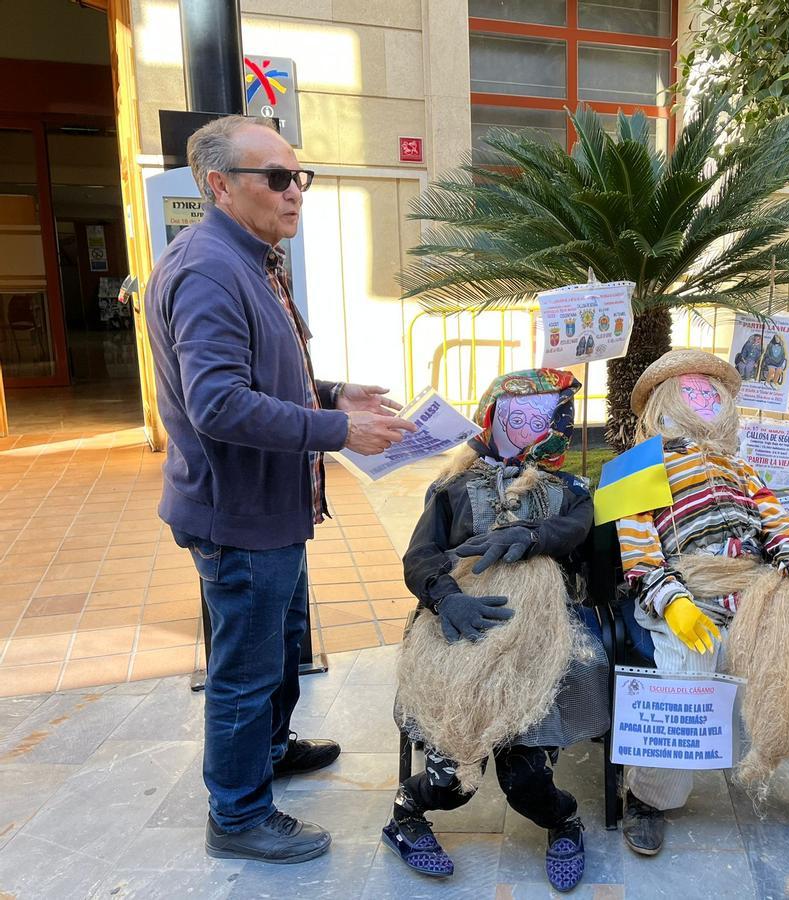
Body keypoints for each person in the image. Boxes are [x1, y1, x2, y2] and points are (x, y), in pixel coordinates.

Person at [145, 115, 416, 864]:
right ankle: (236, 816)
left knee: (279, 648)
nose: (294, 192)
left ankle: (270, 750)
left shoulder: (251, 257)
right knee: (244, 670)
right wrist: (338, 433)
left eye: (300, 175)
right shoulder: (208, 268)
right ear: (219, 185)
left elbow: (268, 372)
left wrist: (331, 392)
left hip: (274, 509)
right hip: (239, 517)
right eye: (275, 177)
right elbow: (219, 404)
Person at [616, 350, 789, 860]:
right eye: (692, 393)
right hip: (683, 593)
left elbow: (777, 525)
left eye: (710, 393)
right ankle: (649, 797)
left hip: (757, 594)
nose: (704, 401)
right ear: (666, 404)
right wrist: (671, 601)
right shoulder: (637, 468)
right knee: (685, 672)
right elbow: (637, 548)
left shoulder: (741, 468)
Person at [386, 369, 607, 893]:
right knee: (452, 784)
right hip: (461, 629)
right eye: (518, 418)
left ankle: (564, 820)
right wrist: (444, 597)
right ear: (492, 416)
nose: (530, 430)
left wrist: (533, 534)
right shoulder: (451, 488)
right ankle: (405, 813)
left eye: (541, 419)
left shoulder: (571, 492)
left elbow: (576, 533)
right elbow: (419, 556)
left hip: (539, 639)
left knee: (526, 781)